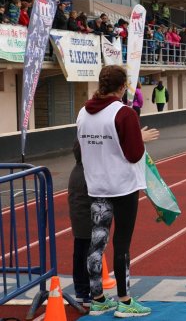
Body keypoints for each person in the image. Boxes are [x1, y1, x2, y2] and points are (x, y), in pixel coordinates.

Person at [77, 65, 159, 317]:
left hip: (97, 186)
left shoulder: (83, 113)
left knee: (97, 242)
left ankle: (98, 298)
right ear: (122, 87)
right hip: (122, 187)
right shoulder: (124, 113)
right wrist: (139, 139)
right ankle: (124, 301)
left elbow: (81, 150)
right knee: (122, 242)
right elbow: (134, 153)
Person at [67, 140, 94, 308]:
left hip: (80, 218)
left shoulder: (78, 170)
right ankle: (84, 291)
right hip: (85, 218)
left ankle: (82, 291)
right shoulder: (86, 173)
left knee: (81, 252)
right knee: (85, 254)